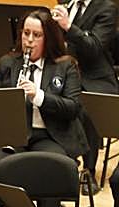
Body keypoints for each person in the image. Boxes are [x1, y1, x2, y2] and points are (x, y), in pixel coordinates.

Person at [0, 9, 88, 207]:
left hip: (50, 137)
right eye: (26, 33)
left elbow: (73, 108)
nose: (29, 40)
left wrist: (39, 96)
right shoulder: (8, 63)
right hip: (14, 136)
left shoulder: (65, 65)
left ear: (48, 38)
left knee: (52, 170)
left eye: (37, 35)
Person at [51, 0, 119, 194]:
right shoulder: (66, 4)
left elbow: (94, 47)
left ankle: (88, 170)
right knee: (47, 98)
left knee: (87, 108)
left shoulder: (107, 8)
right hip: (66, 71)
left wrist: (67, 26)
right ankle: (59, 161)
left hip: (95, 76)